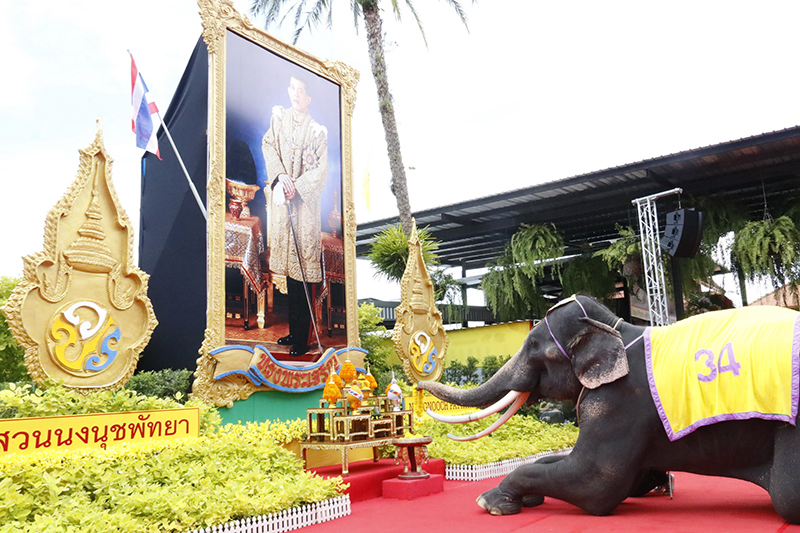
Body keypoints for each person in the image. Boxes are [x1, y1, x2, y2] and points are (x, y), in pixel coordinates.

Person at [262, 76, 328, 357]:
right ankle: (294, 331)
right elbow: (268, 146)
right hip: (282, 206)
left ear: (309, 98)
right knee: (289, 275)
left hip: (304, 210)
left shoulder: (317, 132)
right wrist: (280, 177)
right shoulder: (278, 118)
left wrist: (296, 187)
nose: (296, 94)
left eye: (302, 91)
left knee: (302, 277)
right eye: (293, 89)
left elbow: (321, 171)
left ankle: (303, 339)